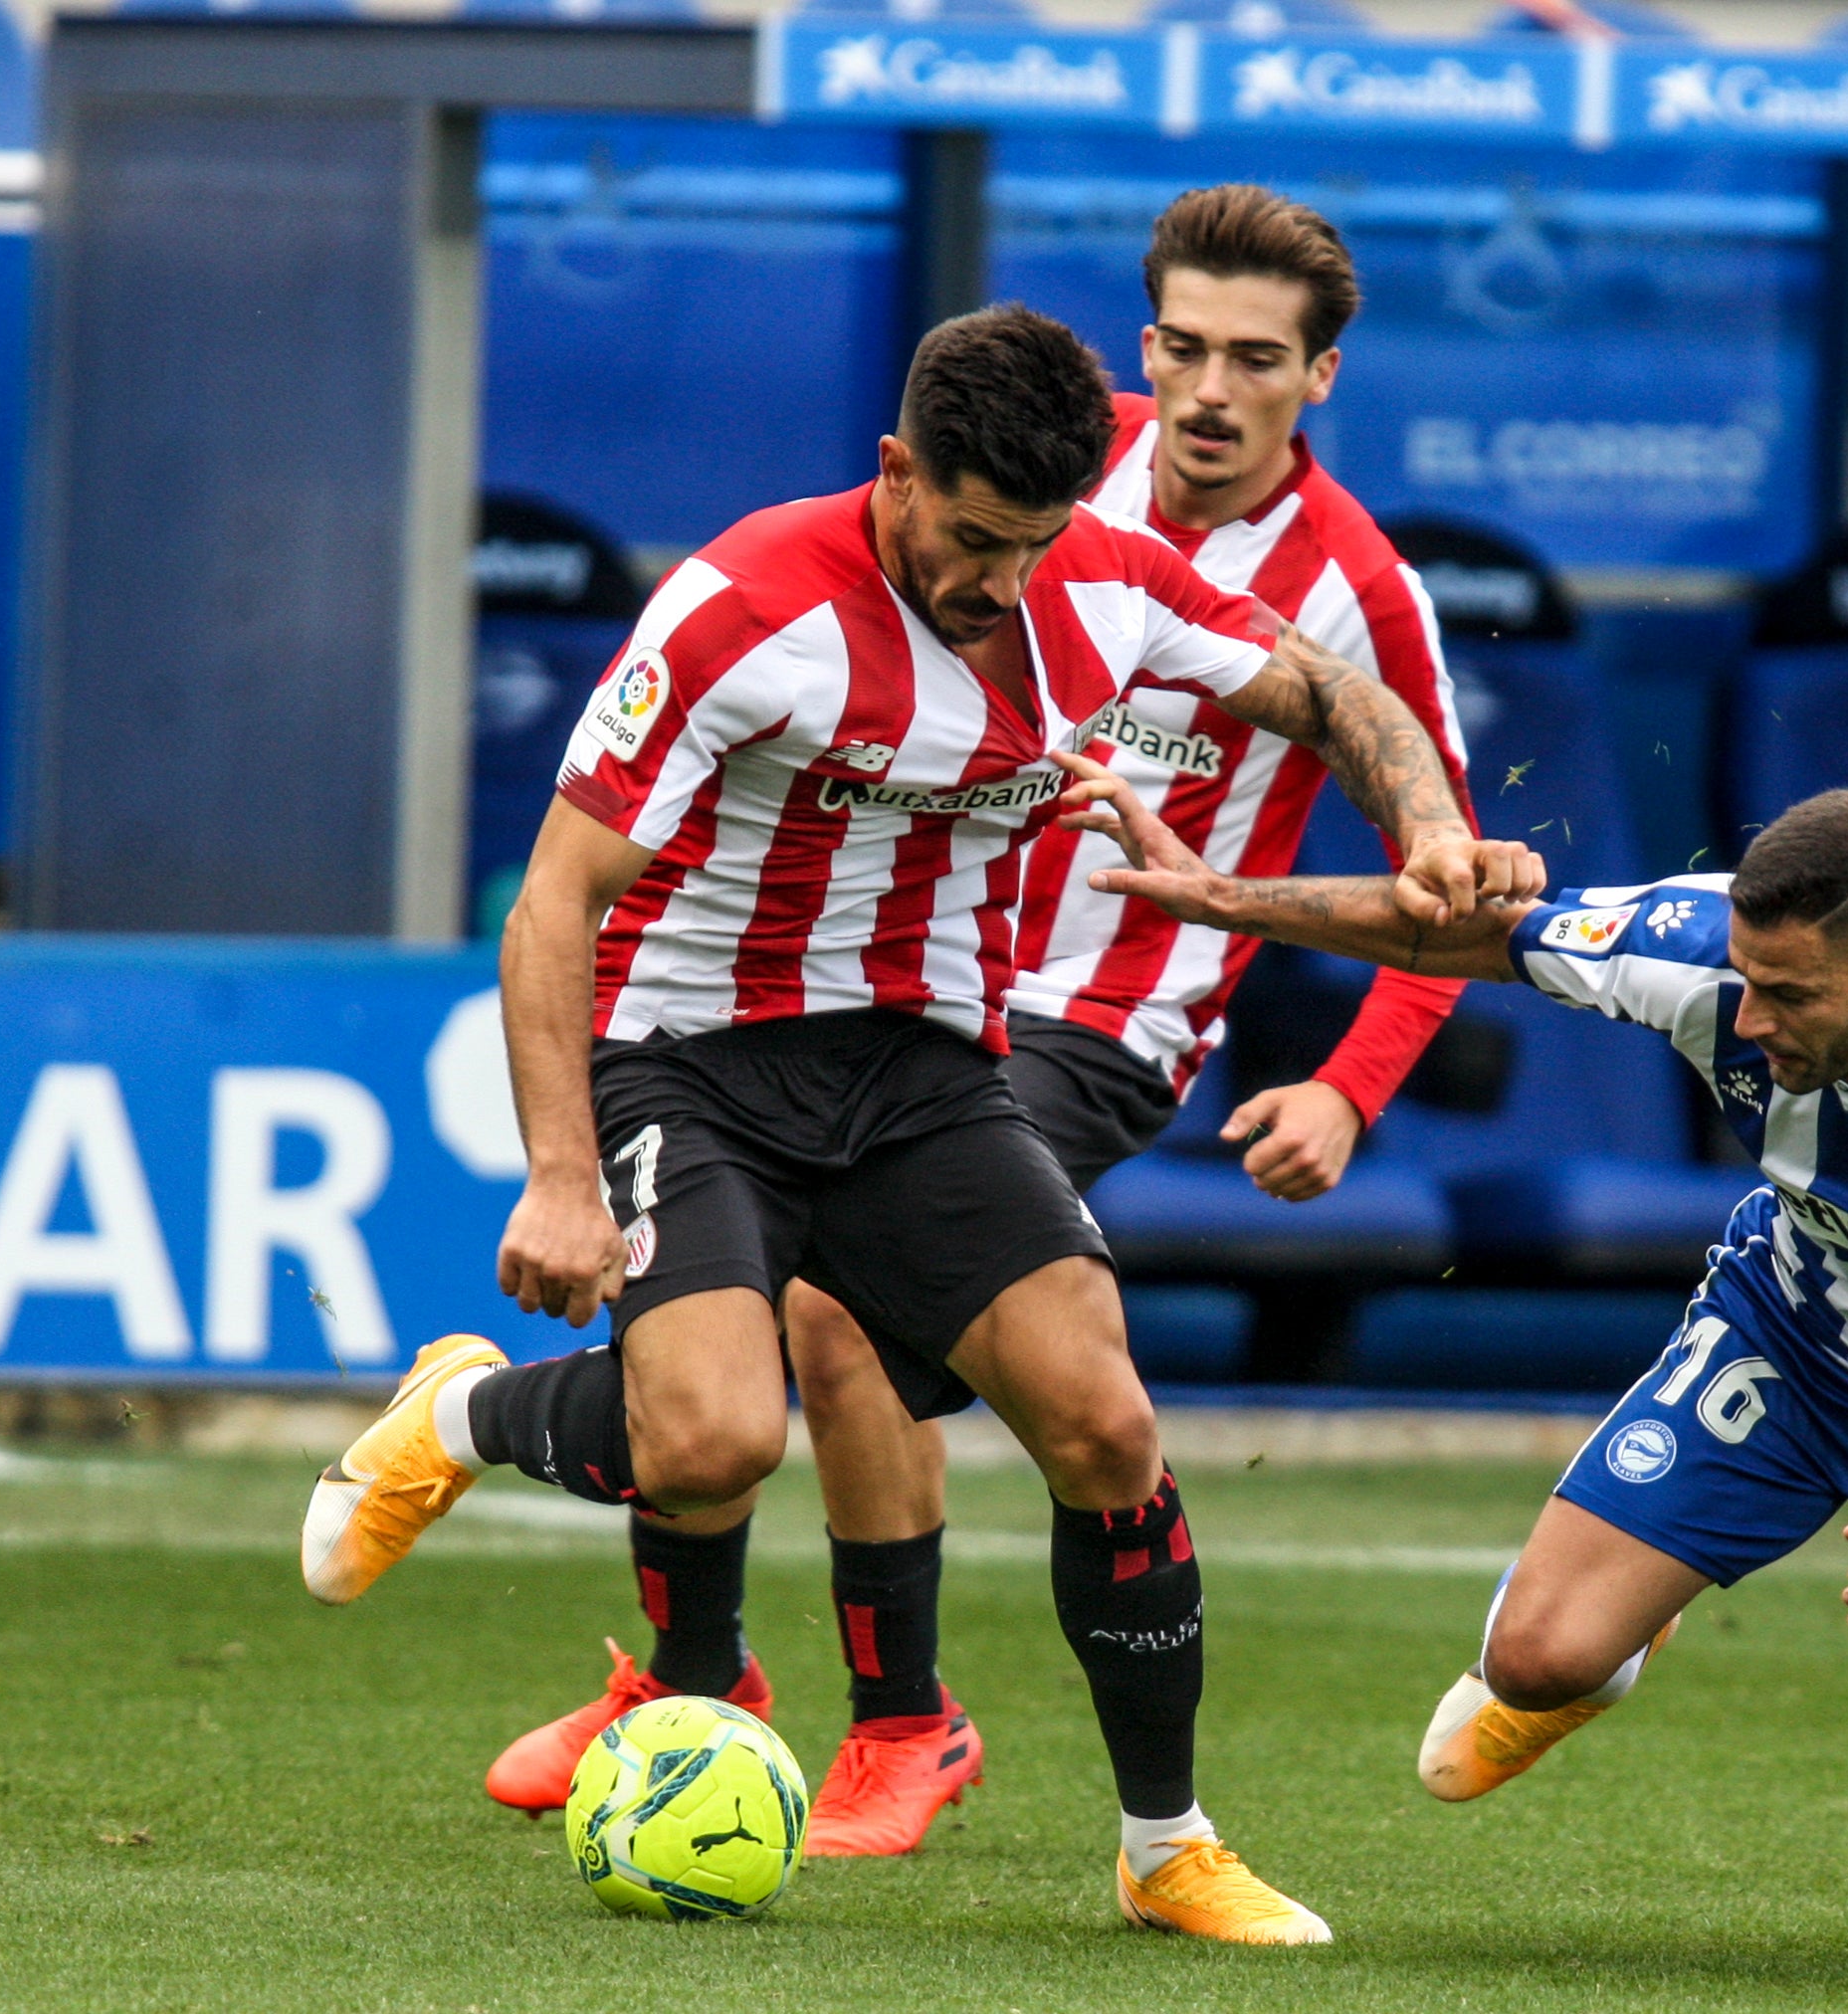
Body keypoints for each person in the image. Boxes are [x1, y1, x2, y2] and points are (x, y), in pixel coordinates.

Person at [298, 302, 1537, 1946]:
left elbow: (1335, 695)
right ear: (896, 472)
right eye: (967, 539)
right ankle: (468, 1414)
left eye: (1030, 544)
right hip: (696, 1053)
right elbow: (553, 902)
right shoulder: (747, 599)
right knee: (716, 1438)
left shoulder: (1104, 577)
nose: (996, 583)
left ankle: (1165, 1843)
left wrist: (1437, 824)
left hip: (927, 1070)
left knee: (1102, 1417)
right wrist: (560, 1172)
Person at [1066, 774, 1848, 1907]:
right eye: (1746, 977)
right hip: (1794, 1341)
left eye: (1790, 995)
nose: (1749, 1018)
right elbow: (1472, 933)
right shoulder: (1702, 949)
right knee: (1533, 1656)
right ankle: (1634, 1611)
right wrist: (1223, 899)